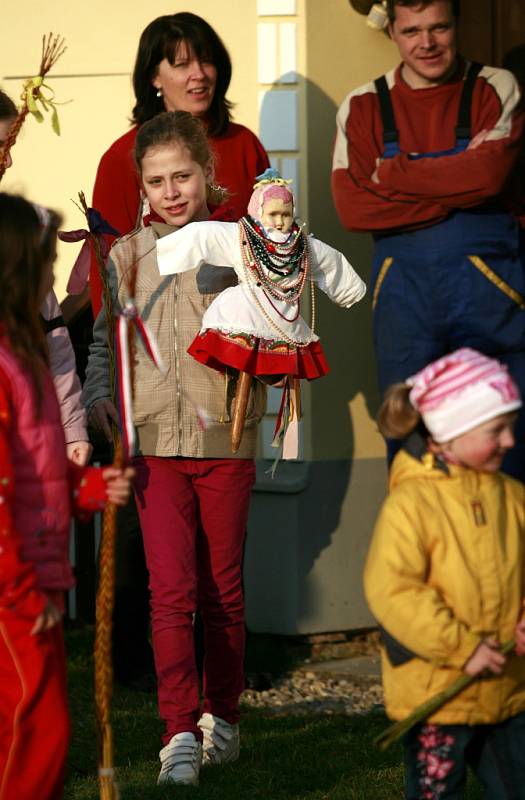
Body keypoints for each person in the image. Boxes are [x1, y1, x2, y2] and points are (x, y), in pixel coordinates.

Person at [82, 111, 266, 786]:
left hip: (225, 437)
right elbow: (106, 341)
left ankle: (224, 718)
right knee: (169, 592)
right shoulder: (127, 255)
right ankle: (177, 733)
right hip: (153, 444)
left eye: (181, 175)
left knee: (221, 591)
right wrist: (102, 394)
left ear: (207, 176)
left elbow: (277, 331)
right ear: (142, 188)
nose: (170, 190)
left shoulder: (239, 247)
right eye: (156, 180)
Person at [331, 0, 525, 480]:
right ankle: (420, 548)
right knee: (409, 430)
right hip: (404, 297)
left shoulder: (494, 87)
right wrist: (459, 190)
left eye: (438, 27)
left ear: (455, 25)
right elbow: (354, 208)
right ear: (392, 33)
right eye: (413, 30)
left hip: (490, 290)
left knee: (504, 433)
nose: (427, 43)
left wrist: (395, 173)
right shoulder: (362, 105)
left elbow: (491, 177)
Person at [0, 192, 133, 800]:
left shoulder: (23, 356)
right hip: (14, 588)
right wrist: (25, 595)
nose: (54, 285)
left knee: (39, 728)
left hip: (32, 578)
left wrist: (88, 488)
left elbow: (35, 473)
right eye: (44, 273)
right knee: (34, 726)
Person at [364, 347, 525, 799]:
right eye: (497, 430)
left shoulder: (513, 497)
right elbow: (393, 592)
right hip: (439, 692)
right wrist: (463, 647)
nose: (511, 441)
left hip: (508, 690)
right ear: (450, 433)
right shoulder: (411, 506)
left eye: (510, 427)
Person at [90, 11, 270, 317]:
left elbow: (272, 245)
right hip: (157, 332)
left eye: (206, 61)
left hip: (242, 332)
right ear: (154, 77)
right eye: (182, 64)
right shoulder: (122, 156)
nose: (199, 74)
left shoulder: (244, 144)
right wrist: (112, 352)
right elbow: (105, 265)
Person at [156, 168, 366, 380]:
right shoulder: (240, 236)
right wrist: (168, 254)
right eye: (273, 214)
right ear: (258, 213)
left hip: (286, 319)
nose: (279, 221)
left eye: (285, 214)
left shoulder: (302, 245)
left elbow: (331, 261)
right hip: (245, 313)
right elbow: (205, 235)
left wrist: (348, 291)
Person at [0, 88, 92, 467]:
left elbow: (55, 341)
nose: (6, 159)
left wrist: (72, 429)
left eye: (9, 144)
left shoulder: (18, 235)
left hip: (27, 452)